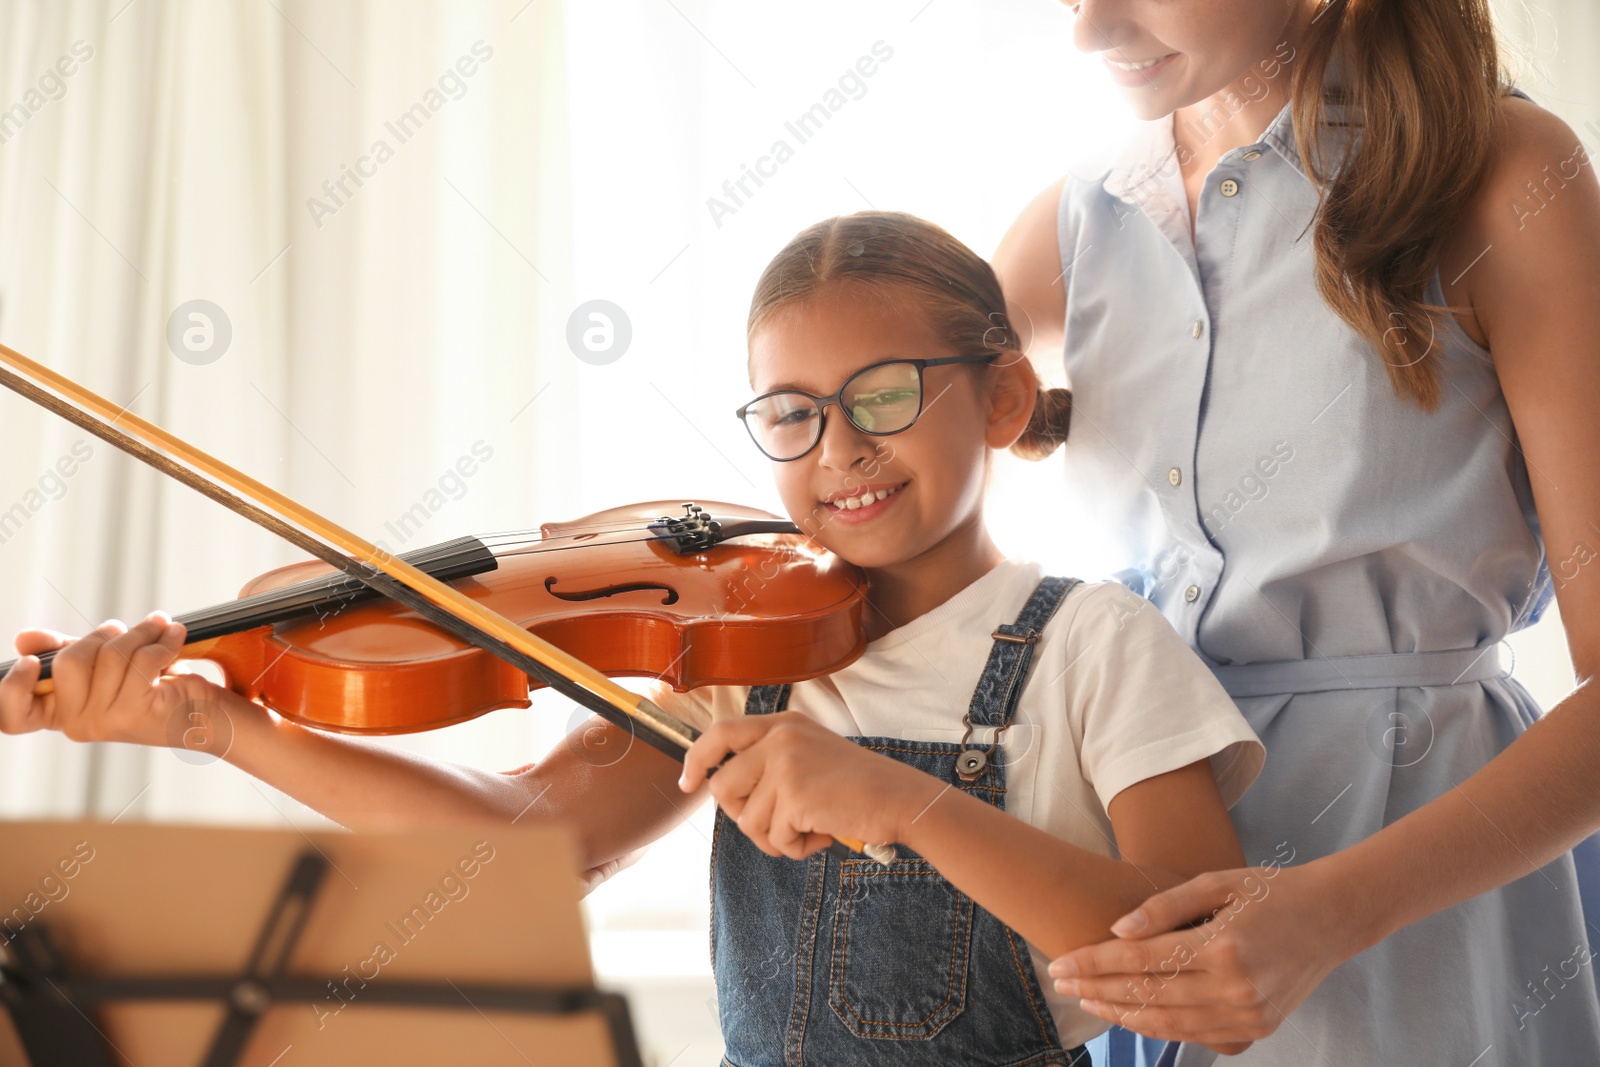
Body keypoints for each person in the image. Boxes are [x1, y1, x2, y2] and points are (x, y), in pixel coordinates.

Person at [0, 210, 1265, 1064]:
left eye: (884, 393)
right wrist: (224, 725)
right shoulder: (732, 655)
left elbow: (1198, 954)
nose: (840, 450)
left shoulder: (1094, 642)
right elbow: (521, 845)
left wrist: (904, 800)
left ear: (997, 397)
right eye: (793, 412)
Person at [990, 0, 1600, 1063]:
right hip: (1145, 930)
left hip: (1424, 927)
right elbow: (871, 476)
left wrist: (1330, 911)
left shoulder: (1504, 173)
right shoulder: (1076, 222)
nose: (1090, 31)